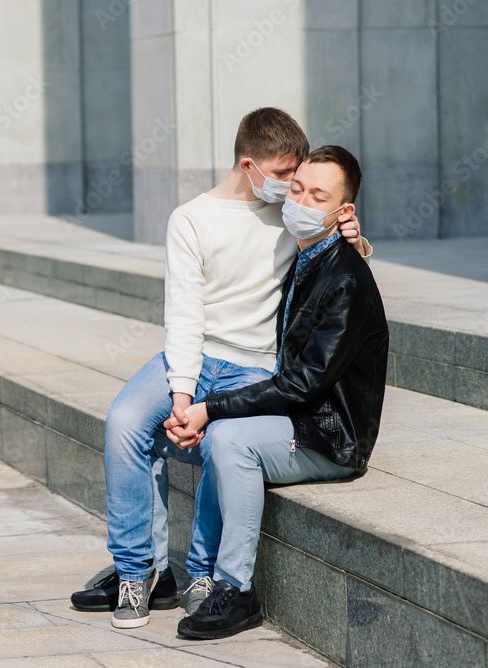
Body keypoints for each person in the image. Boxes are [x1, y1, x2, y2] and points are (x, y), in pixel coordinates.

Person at [69, 108, 372, 629]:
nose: (292, 189)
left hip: (256, 364)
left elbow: (335, 265)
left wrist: (356, 239)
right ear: (249, 164)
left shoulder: (294, 211)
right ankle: (139, 572)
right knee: (124, 424)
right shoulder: (191, 219)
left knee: (221, 439)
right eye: (283, 176)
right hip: (194, 355)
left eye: (298, 179)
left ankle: (203, 572)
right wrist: (183, 396)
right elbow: (184, 314)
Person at [167, 145, 389, 640]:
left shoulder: (345, 282)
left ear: (343, 211)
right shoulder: (307, 255)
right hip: (300, 419)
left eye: (318, 195)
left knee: (227, 440)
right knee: (217, 435)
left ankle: (236, 590)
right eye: (296, 189)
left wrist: (208, 407)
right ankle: (163, 569)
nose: (301, 202)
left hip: (332, 438)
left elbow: (301, 384)